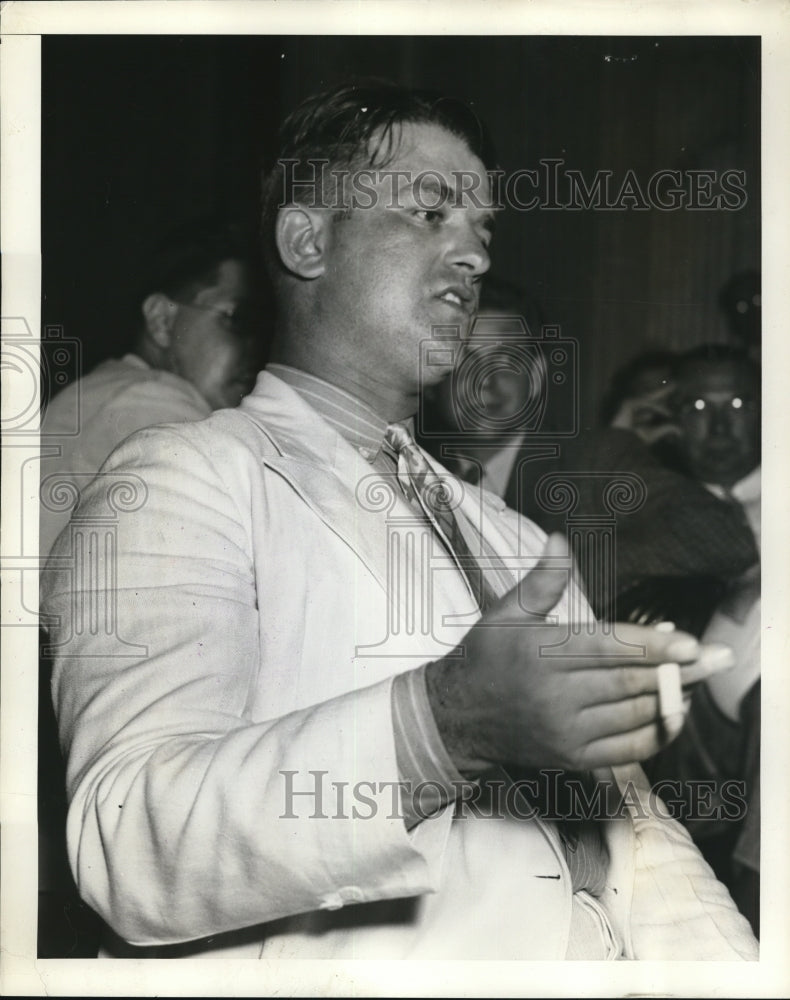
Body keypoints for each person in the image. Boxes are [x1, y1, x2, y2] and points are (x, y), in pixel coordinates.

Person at [41, 80, 758, 961]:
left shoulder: (517, 541)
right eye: (431, 214)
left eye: (483, 232)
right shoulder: (180, 479)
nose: (473, 257)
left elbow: (643, 850)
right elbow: (128, 844)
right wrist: (445, 723)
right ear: (307, 240)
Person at [39, 216, 269, 558]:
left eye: (265, 329)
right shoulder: (148, 403)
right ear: (162, 320)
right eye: (239, 320)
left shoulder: (108, 395)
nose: (256, 348)